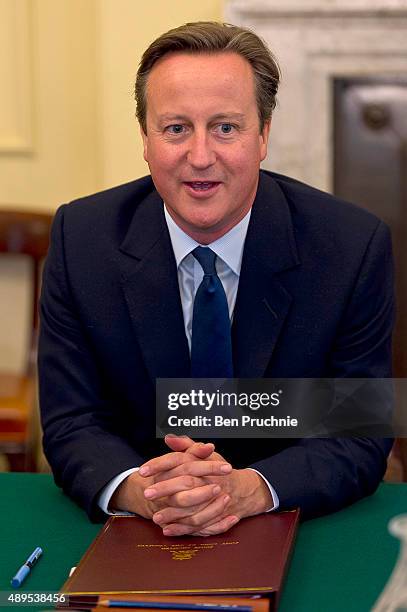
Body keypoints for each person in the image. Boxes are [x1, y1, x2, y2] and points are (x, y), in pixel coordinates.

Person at [38, 21, 394, 535]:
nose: (200, 157)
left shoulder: (351, 247)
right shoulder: (82, 240)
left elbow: (359, 432)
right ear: (145, 138)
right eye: (176, 128)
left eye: (226, 127)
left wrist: (249, 489)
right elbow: (73, 420)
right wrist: (144, 490)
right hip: (143, 525)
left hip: (290, 517)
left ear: (264, 134)